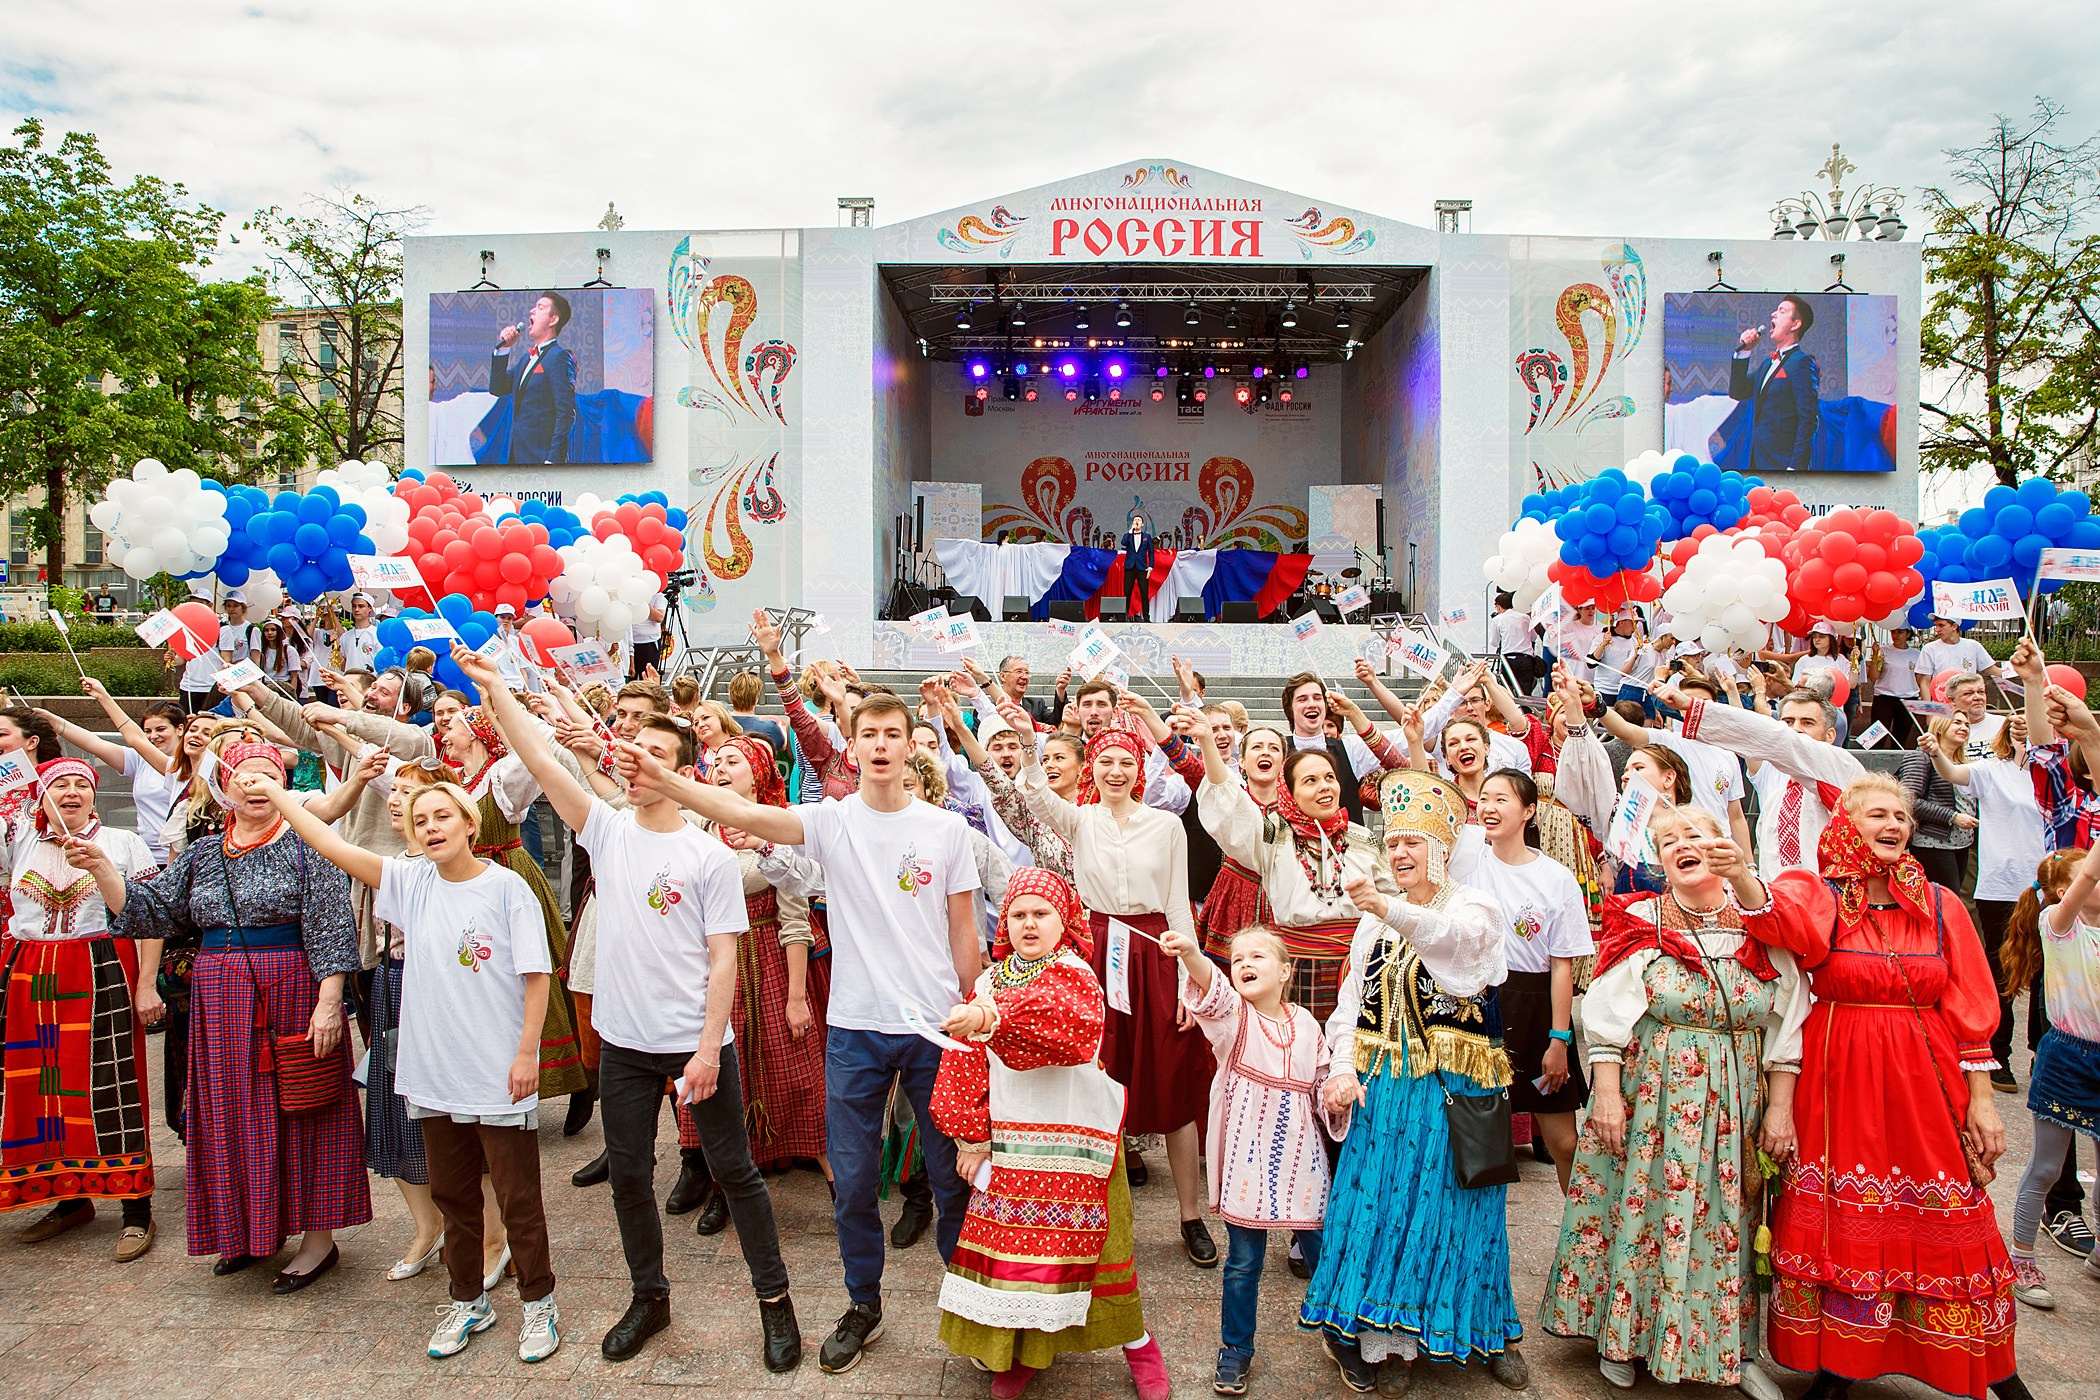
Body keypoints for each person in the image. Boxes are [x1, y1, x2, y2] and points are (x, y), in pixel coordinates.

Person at [608, 685, 976, 1376]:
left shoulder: (946, 829)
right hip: (858, 1029)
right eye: (868, 734)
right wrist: (669, 782)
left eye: (893, 734)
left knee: (952, 1178)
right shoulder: (833, 820)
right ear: (855, 743)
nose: (880, 746)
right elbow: (743, 811)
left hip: (936, 1028)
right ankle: (862, 1303)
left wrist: (972, 1011)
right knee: (856, 1179)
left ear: (908, 744)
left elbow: (962, 930)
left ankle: (970, 1298)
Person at [463, 646, 803, 1369]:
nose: (637, 758)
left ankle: (775, 1302)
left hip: (695, 1043)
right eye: (634, 746)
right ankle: (649, 1296)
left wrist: (709, 1051)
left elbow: (722, 960)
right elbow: (544, 760)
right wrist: (497, 692)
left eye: (656, 750)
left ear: (683, 769)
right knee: (627, 1175)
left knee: (736, 1173)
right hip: (622, 1044)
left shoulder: (706, 855)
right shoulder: (606, 829)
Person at [244, 766, 564, 1363]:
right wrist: (282, 797)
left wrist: (527, 1055)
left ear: (470, 823)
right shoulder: (410, 882)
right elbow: (333, 844)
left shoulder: (506, 888)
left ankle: (539, 1303)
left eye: (443, 815)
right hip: (432, 1071)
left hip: (497, 1072)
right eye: (421, 821)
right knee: (453, 1196)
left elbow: (536, 977)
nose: (432, 826)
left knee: (518, 1199)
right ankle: (468, 1300)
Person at [1738, 775, 2033, 1400]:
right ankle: (1840, 1366)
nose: (1895, 825)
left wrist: (1982, 1100)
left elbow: (1972, 1004)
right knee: (1846, 1219)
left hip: (1925, 1084)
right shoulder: (1818, 893)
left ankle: (1993, 1370)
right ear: (1846, 822)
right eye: (1878, 814)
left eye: (1901, 815)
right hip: (1836, 1078)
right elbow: (1777, 921)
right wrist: (1739, 871)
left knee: (1947, 1208)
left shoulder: (1942, 906)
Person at [1539, 804, 1806, 1400]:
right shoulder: (1644, 921)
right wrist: (1605, 1096)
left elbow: (1789, 1027)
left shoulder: (1763, 923)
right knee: (1642, 1210)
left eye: (1693, 835)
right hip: (1653, 1095)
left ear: (1723, 846)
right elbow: (1606, 1019)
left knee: (1727, 1221)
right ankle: (1624, 1336)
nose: (1680, 845)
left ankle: (1732, 1350)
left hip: (1736, 1098)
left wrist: (1781, 1110)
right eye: (1666, 842)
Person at [98, 739, 370, 1290]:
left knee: (304, 1101)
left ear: (284, 787)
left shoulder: (305, 845)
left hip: (293, 987)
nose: (255, 784)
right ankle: (250, 1230)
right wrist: (102, 865)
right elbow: (147, 910)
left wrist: (328, 1002)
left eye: (268, 774)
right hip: (219, 999)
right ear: (225, 787)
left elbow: (331, 925)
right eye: (244, 775)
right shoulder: (202, 854)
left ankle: (319, 1241)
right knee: (231, 1110)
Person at [1303, 770, 1524, 1393]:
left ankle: (1483, 1330)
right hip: (1389, 1086)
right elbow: (1351, 1004)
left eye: (1413, 844)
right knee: (1384, 1209)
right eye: (1393, 843)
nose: (1400, 854)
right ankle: (1386, 1338)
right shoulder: (1372, 925)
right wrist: (1342, 1068)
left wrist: (1386, 907)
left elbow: (1457, 953)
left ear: (1444, 848)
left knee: (1462, 1207)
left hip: (1455, 1088)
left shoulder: (1473, 907)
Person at [928, 869, 1168, 1400]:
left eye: (1042, 913)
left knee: (1102, 1252)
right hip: (1015, 1143)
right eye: (1018, 914)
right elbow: (965, 1064)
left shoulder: (1074, 974)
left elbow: (1062, 1027)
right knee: (1024, 1257)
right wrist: (971, 1137)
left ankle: (1140, 1344)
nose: (1029, 923)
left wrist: (989, 1017)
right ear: (1004, 924)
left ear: (1065, 922)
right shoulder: (987, 983)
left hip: (1079, 1143)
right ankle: (1028, 1351)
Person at [1015, 727, 1215, 1266]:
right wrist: (1024, 744)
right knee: (1100, 1080)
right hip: (1097, 953)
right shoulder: (1079, 819)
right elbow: (1035, 795)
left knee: (1172, 1079)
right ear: (1091, 769)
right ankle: (1096, 1217)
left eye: (1125, 761)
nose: (1115, 771)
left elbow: (1177, 904)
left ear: (1139, 769)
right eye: (1105, 761)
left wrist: (1188, 976)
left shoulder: (1166, 825)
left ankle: (1190, 1216)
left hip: (1155, 951)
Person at [0, 760, 160, 1260]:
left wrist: (147, 983)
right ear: (40, 795)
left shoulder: (122, 843)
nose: (71, 793)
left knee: (110, 1084)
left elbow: (149, 918)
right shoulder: (20, 840)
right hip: (31, 973)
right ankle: (68, 1199)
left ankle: (136, 1209)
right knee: (41, 1087)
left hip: (100, 968)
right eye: (59, 785)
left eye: (82, 785)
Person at [1163, 922, 1330, 1396]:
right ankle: (1236, 1348)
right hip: (1248, 1157)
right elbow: (1211, 990)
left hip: (1302, 1156)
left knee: (1323, 1250)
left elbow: (1320, 1083)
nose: (1245, 965)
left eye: (1257, 957)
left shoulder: (1308, 1025)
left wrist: (1336, 1095)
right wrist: (1194, 953)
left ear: (1285, 971)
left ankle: (1342, 1336)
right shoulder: (1235, 1020)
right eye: (1237, 960)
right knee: (1243, 1261)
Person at [1194, 712, 1397, 1025]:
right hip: (1301, 968)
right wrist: (1208, 742)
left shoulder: (1363, 838)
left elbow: (1393, 898)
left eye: (1329, 778)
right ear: (1289, 790)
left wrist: (1378, 905)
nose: (1324, 787)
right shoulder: (1275, 836)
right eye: (1310, 781)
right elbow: (1235, 811)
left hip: (1363, 965)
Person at [435, 699, 589, 1103]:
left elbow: (534, 752)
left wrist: (498, 706)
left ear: (475, 733)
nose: (444, 732)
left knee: (535, 971)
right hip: (466, 885)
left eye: (452, 725)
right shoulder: (455, 781)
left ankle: (577, 1077)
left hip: (508, 876)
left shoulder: (502, 776)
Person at [1451, 769, 1593, 1193]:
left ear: (1529, 811)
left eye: (1503, 799)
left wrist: (1558, 1040)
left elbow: (1562, 966)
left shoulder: (1556, 879)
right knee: (1475, 1141)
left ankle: (1580, 1240)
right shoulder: (1468, 858)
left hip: (1536, 1006)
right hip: (1479, 1004)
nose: (1489, 807)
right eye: (1486, 798)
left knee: (1565, 1141)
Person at [1922, 715, 2048, 1093]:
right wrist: (1934, 754)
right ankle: (1999, 1057)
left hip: (2047, 885)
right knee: (2003, 972)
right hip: (2000, 885)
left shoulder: (2053, 777)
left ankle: (2042, 1052)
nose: (2026, 737)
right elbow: (1952, 772)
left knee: (2046, 975)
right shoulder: (1991, 771)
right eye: (2018, 730)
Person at [1998, 847, 2100, 1309]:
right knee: (2045, 1166)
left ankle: (2099, 1255)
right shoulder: (2059, 923)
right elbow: (2086, 880)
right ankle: (2021, 1259)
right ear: (2065, 890)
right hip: (2066, 1057)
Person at [43, 679, 185, 862]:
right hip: (147, 855)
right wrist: (56, 723)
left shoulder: (187, 767)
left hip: (180, 856)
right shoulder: (139, 760)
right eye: (147, 731)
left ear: (180, 729)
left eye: (160, 729)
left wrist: (103, 696)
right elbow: (95, 744)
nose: (153, 736)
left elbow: (134, 739)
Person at [1728, 294, 1820, 473]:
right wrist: (1744, 352)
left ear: (1795, 324)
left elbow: (1808, 418)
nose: (1773, 314)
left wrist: (1795, 466)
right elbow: (1738, 391)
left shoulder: (1801, 362)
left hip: (1783, 463)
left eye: (1782, 311)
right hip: (1757, 461)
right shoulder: (1766, 364)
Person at [490, 291, 577, 464]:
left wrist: (553, 459)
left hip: (541, 458)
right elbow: (498, 388)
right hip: (517, 456)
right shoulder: (525, 360)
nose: (532, 311)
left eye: (540, 307)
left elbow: (565, 412)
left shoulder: (558, 357)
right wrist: (504, 349)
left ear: (553, 320)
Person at [1902, 713, 1979, 891]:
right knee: (1944, 900)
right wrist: (1952, 817)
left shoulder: (1964, 763)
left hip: (1962, 843)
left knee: (1953, 899)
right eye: (1957, 722)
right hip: (1933, 843)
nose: (1964, 728)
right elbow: (1909, 800)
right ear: (1940, 728)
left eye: (1967, 724)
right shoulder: (1921, 757)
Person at [1866, 626, 1922, 746]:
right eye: (1893, 632)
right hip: (1884, 698)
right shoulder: (1883, 651)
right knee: (1876, 738)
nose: (1896, 635)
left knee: (1900, 738)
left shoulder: (1917, 655)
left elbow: (1920, 679)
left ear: (1908, 634)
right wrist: (1875, 656)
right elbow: (1873, 677)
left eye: (1900, 632)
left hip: (1908, 699)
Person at [727, 669, 788, 761]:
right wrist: (782, 729)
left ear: (731, 695)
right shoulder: (770, 727)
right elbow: (783, 746)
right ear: (756, 698)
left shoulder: (720, 723)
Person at [1119, 513, 1157, 619]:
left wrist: (1151, 566)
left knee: (1144, 593)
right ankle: (1124, 616)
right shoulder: (1128, 535)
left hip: (1142, 567)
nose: (1136, 521)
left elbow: (1151, 552)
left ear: (1142, 524)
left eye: (1139, 520)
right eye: (1135, 520)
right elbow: (1123, 542)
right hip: (1130, 567)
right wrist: (1130, 531)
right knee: (1127, 592)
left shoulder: (1147, 536)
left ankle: (1146, 616)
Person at [628, 589, 667, 679]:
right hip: (630, 643)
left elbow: (659, 617)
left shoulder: (657, 595)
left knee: (648, 678)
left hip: (649, 643)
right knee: (630, 678)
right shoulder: (628, 592)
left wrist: (642, 603)